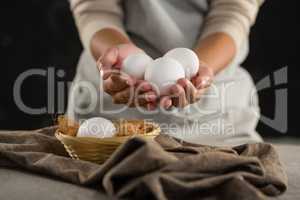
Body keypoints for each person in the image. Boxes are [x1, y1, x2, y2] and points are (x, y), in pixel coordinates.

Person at [67, 0, 264, 146]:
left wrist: (203, 68)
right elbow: (95, 9)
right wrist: (119, 56)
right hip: (109, 122)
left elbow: (233, 11)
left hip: (215, 121)